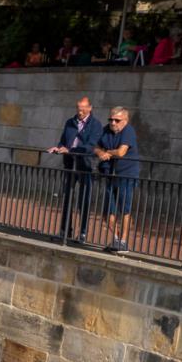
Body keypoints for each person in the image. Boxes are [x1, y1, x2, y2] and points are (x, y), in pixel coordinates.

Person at [46, 97, 102, 243]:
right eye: (78, 108)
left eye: (83, 108)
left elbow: (90, 146)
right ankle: (65, 230)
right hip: (70, 164)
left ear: (90, 108)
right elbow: (63, 141)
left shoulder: (95, 125)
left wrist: (70, 150)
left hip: (85, 165)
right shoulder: (70, 122)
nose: (80, 111)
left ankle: (82, 232)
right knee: (67, 197)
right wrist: (58, 148)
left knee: (84, 200)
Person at [94, 107, 140, 252]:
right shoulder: (106, 129)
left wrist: (107, 152)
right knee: (108, 213)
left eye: (117, 120)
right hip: (110, 174)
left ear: (125, 121)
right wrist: (100, 152)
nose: (113, 123)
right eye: (111, 119)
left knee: (124, 210)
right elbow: (95, 146)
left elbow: (121, 152)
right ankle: (116, 239)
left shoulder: (128, 131)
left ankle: (124, 241)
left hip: (126, 175)